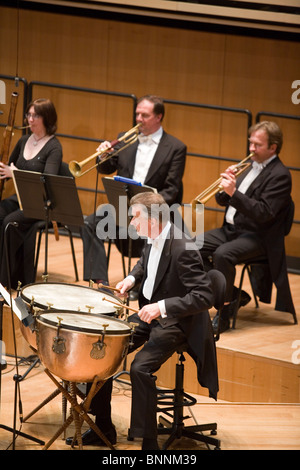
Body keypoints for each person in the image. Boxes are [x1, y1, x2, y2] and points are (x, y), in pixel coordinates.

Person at [66, 192, 218, 450]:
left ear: (154, 219)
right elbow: (146, 263)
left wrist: (161, 307)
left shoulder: (183, 248)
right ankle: (104, 428)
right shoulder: (153, 237)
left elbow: (204, 297)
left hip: (176, 322)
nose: (132, 223)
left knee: (139, 368)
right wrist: (132, 278)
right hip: (150, 315)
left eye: (136, 217)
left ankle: (149, 445)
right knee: (104, 351)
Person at [197, 121, 296, 334]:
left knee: (223, 255)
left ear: (273, 147)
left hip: (258, 237)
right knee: (189, 247)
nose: (251, 149)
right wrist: (226, 187)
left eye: (257, 145)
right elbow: (223, 200)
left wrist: (234, 192)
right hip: (232, 230)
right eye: (251, 143)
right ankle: (232, 295)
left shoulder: (280, 175)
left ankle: (222, 317)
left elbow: (264, 213)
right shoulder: (248, 167)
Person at [80, 94, 186, 286]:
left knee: (156, 229)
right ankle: (100, 281)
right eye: (137, 114)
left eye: (144, 115)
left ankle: (141, 281)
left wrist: (147, 208)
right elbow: (105, 168)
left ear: (158, 117)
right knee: (90, 223)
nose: (138, 119)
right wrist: (103, 156)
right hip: (123, 206)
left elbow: (172, 189)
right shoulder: (124, 138)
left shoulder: (175, 147)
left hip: (152, 211)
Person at [0, 98, 62, 289]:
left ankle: (4, 282)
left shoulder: (54, 147)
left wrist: (15, 173)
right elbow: (7, 169)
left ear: (47, 118)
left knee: (9, 222)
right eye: (29, 114)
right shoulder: (23, 140)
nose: (30, 119)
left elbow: (47, 180)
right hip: (20, 198)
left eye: (36, 115)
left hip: (41, 204)